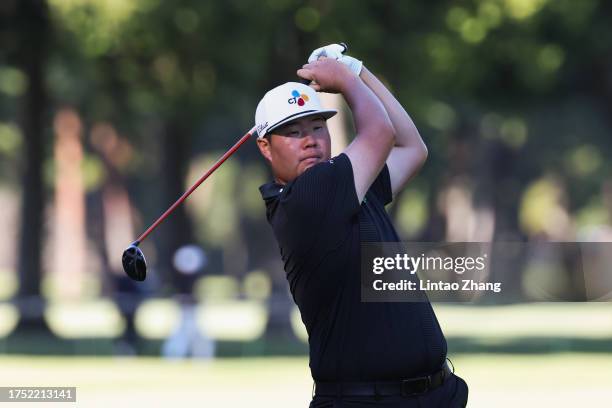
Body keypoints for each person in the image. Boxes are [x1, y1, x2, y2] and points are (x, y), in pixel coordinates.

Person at [255, 44, 469, 407]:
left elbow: (411, 148)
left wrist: (357, 70)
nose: (309, 140)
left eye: (317, 126)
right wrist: (346, 81)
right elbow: (380, 133)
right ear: (265, 147)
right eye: (292, 132)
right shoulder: (307, 197)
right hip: (367, 401)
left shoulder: (347, 186)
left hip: (430, 395)